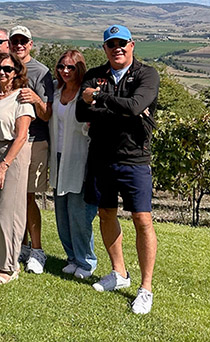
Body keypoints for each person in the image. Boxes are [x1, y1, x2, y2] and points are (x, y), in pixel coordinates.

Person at [76, 25, 159, 314]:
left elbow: (136, 106)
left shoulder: (147, 74)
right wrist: (119, 107)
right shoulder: (94, 75)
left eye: (122, 43)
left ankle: (145, 288)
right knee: (106, 213)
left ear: (132, 45)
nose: (117, 48)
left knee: (142, 219)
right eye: (111, 44)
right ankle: (119, 273)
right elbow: (80, 112)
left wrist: (98, 99)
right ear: (105, 49)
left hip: (134, 158)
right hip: (101, 157)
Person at [0, 52, 34, 284]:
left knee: (7, 212)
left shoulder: (21, 98)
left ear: (17, 72)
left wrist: (4, 165)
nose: (2, 72)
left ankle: (10, 266)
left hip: (13, 154)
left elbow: (22, 136)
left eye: (8, 69)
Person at [49, 50, 98, 279]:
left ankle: (86, 261)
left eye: (71, 67)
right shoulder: (57, 91)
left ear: (80, 68)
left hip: (79, 157)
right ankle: (71, 256)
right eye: (61, 66)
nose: (65, 71)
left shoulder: (85, 95)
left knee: (79, 213)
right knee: (62, 211)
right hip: (58, 156)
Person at [9, 25, 54, 274]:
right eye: (14, 40)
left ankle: (36, 250)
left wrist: (36, 98)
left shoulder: (41, 71)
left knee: (27, 197)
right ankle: (21, 245)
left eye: (23, 41)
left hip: (34, 141)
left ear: (30, 44)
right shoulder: (5, 65)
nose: (18, 45)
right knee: (14, 198)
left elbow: (46, 115)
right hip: (11, 140)